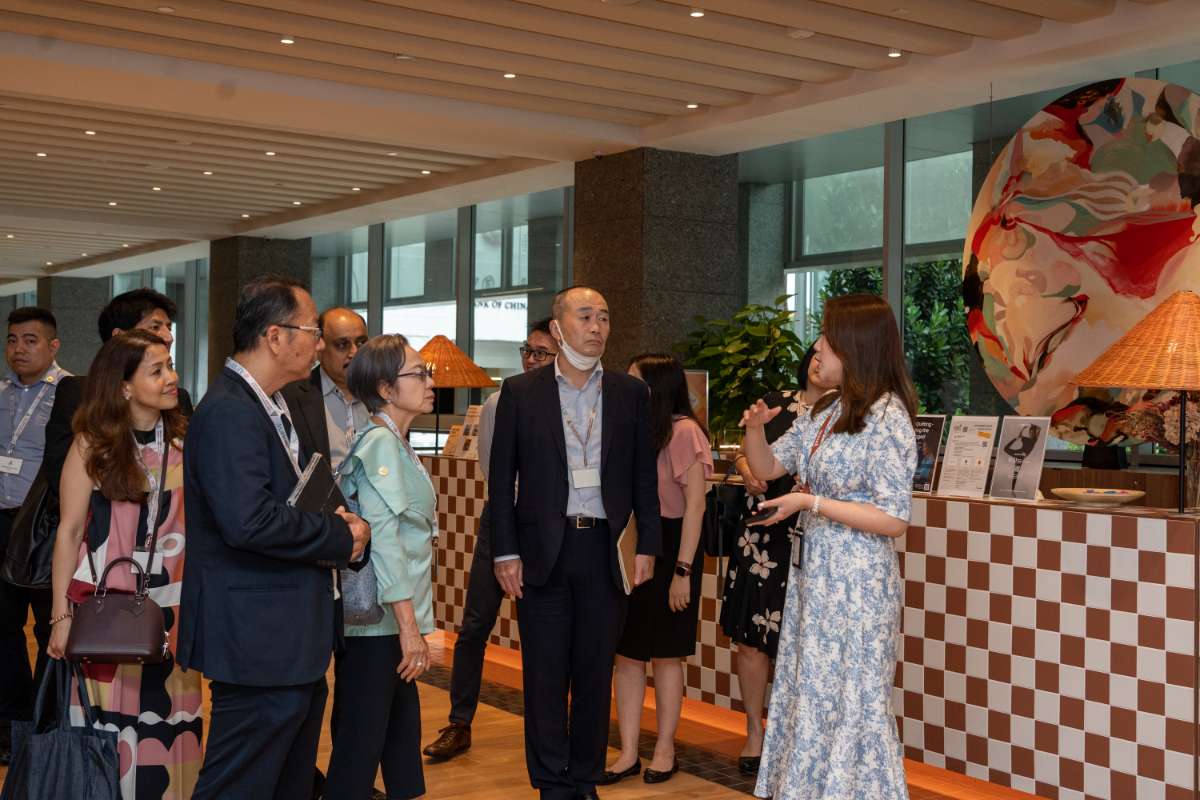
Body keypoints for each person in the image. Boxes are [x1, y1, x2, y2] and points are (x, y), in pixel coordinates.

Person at [178, 275, 370, 800]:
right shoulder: (230, 410)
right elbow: (249, 521)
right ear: (275, 336)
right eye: (313, 331)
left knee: (288, 782)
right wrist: (338, 536)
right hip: (257, 641)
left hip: (287, 638)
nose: (319, 345)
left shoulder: (272, 402)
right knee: (238, 784)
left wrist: (345, 527)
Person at [740, 294, 917, 799]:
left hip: (857, 585)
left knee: (852, 703)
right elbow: (769, 467)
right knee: (812, 695)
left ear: (856, 347)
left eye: (827, 338)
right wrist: (755, 430)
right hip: (815, 579)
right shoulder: (828, 409)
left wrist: (810, 502)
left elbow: (893, 519)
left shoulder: (888, 417)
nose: (817, 347)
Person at [489, 286, 661, 800]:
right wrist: (504, 551)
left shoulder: (630, 393)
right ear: (558, 328)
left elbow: (644, 478)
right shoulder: (521, 392)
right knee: (544, 676)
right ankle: (550, 782)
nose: (597, 327)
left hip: (605, 551)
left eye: (604, 317)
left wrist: (647, 546)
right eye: (585, 316)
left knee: (593, 673)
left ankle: (585, 779)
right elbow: (501, 481)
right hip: (542, 551)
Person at [45, 329, 200, 799]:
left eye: (170, 366)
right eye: (157, 371)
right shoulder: (92, 445)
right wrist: (60, 617)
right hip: (106, 614)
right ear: (125, 386)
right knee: (108, 735)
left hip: (174, 613)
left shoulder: (185, 442)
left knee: (171, 729)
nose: (171, 378)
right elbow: (70, 531)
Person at [423, 317, 558, 761]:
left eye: (541, 353)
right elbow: (489, 466)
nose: (530, 359)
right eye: (527, 350)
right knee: (474, 626)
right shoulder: (501, 402)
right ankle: (459, 723)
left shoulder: (569, 404)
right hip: (501, 520)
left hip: (548, 530)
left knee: (542, 633)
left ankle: (547, 730)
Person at [325, 334, 438, 799]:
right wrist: (409, 627)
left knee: (399, 738)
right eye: (419, 374)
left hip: (391, 617)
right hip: (380, 621)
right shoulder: (380, 446)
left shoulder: (395, 443)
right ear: (386, 389)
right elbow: (384, 540)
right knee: (361, 744)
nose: (430, 382)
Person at [718, 344, 835, 776]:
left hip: (813, 537)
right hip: (761, 537)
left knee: (801, 644)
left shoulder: (846, 415)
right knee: (751, 640)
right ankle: (754, 730)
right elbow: (744, 449)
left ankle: (796, 737)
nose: (820, 363)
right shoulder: (778, 402)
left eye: (829, 354)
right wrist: (747, 467)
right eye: (816, 355)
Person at [602, 353, 712, 787]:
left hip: (675, 548)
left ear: (657, 387)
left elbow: (696, 507)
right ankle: (628, 750)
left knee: (667, 656)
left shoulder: (685, 432)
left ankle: (665, 749)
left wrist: (683, 571)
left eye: (636, 381)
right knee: (628, 655)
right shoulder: (636, 428)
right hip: (637, 543)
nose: (627, 388)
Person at [0, 306, 67, 765]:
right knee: (3, 630)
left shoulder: (70, 392)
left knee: (49, 628)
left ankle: (46, 722)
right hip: (1, 522)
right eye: (12, 340)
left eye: (30, 340)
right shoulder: (1, 393)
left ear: (53, 346)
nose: (19, 349)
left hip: (44, 526)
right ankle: (13, 722)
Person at [280, 307, 370, 472]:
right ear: (320, 347)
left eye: (361, 343)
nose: (354, 352)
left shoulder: (380, 394)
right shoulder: (291, 397)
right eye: (342, 344)